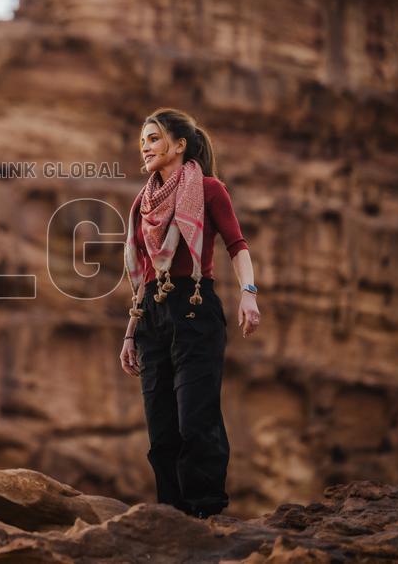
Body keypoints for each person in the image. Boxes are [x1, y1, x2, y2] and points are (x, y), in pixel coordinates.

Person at [118, 108, 261, 519]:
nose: (145, 146)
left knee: (196, 420)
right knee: (161, 431)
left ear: (179, 144)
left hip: (194, 308)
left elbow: (237, 245)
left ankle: (206, 513)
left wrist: (248, 294)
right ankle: (172, 517)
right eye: (142, 139)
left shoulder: (210, 189)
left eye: (154, 138)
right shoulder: (142, 203)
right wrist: (130, 333)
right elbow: (146, 273)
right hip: (150, 315)